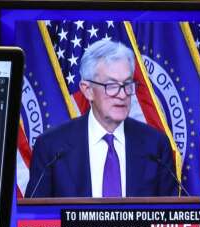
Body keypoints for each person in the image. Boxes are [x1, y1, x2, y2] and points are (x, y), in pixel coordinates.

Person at [26, 38, 176, 198]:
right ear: (88, 90)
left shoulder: (156, 145)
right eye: (111, 86)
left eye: (127, 84)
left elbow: (169, 217)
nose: (122, 94)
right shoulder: (52, 148)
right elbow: (35, 218)